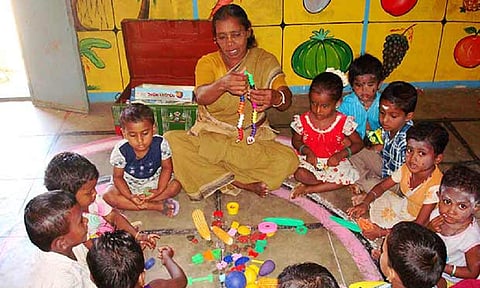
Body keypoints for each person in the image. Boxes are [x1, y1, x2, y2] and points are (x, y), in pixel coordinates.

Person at [164, 4, 298, 201]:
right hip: (213, 135)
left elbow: (285, 99)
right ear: (215, 39)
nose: (230, 44)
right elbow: (200, 96)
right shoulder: (207, 62)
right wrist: (222, 84)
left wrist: (276, 98)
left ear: (248, 32)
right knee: (170, 140)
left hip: (249, 140)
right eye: (222, 37)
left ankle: (216, 175)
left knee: (289, 161)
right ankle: (239, 182)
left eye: (236, 35)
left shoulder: (263, 60)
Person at [347, 121, 449, 240]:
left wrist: (382, 232)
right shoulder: (407, 168)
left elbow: (419, 224)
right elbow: (382, 187)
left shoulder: (435, 187)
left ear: (437, 158)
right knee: (379, 197)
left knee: (404, 239)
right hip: (405, 206)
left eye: (422, 153)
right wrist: (365, 203)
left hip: (418, 223)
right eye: (409, 150)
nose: (412, 158)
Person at [44, 151, 159, 248]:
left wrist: (136, 235)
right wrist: (119, 249)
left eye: (94, 188)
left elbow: (113, 216)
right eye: (89, 192)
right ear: (68, 198)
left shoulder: (94, 201)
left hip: (104, 234)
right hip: (95, 246)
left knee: (121, 220)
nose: (95, 193)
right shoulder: (72, 223)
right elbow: (93, 248)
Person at [289, 71, 364, 199]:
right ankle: (326, 184)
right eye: (313, 103)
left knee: (347, 175)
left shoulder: (343, 122)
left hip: (334, 162)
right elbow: (296, 141)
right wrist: (307, 151)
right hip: (311, 161)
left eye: (324, 106)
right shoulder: (303, 120)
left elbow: (359, 143)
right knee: (299, 174)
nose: (317, 110)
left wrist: (341, 154)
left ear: (337, 103)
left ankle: (310, 188)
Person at [104, 103, 181, 215]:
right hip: (129, 185)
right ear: (124, 133)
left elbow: (167, 168)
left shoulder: (161, 143)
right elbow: (118, 177)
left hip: (155, 182)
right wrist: (130, 196)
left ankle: (143, 202)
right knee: (108, 196)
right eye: (133, 135)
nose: (140, 140)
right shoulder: (121, 150)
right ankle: (153, 205)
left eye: (145, 133)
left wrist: (159, 190)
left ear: (153, 128)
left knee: (176, 186)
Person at [350, 80, 418, 198]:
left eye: (393, 116)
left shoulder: (408, 142)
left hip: (398, 184)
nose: (384, 120)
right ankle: (368, 182)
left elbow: (402, 177)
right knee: (354, 150)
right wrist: (376, 146)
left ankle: (367, 185)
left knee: (370, 183)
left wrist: (381, 185)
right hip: (386, 167)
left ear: (408, 116)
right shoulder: (390, 126)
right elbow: (380, 138)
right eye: (381, 113)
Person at [24, 190, 96, 288]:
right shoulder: (62, 281)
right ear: (61, 243)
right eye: (80, 221)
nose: (86, 220)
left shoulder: (70, 242)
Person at [428, 165, 480, 287]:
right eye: (447, 201)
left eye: (462, 206)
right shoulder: (437, 214)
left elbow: (473, 272)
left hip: (456, 279)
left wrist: (443, 267)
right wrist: (430, 228)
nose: (451, 211)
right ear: (439, 195)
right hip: (434, 266)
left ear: (475, 208)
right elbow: (423, 234)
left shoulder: (471, 239)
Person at [87, 230, 187, 288]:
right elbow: (181, 280)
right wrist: (167, 258)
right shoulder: (157, 285)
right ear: (141, 278)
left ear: (92, 278)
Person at [380, 221, 447, 288]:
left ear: (391, 273)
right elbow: (442, 282)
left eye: (383, 251)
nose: (381, 254)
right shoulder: (433, 281)